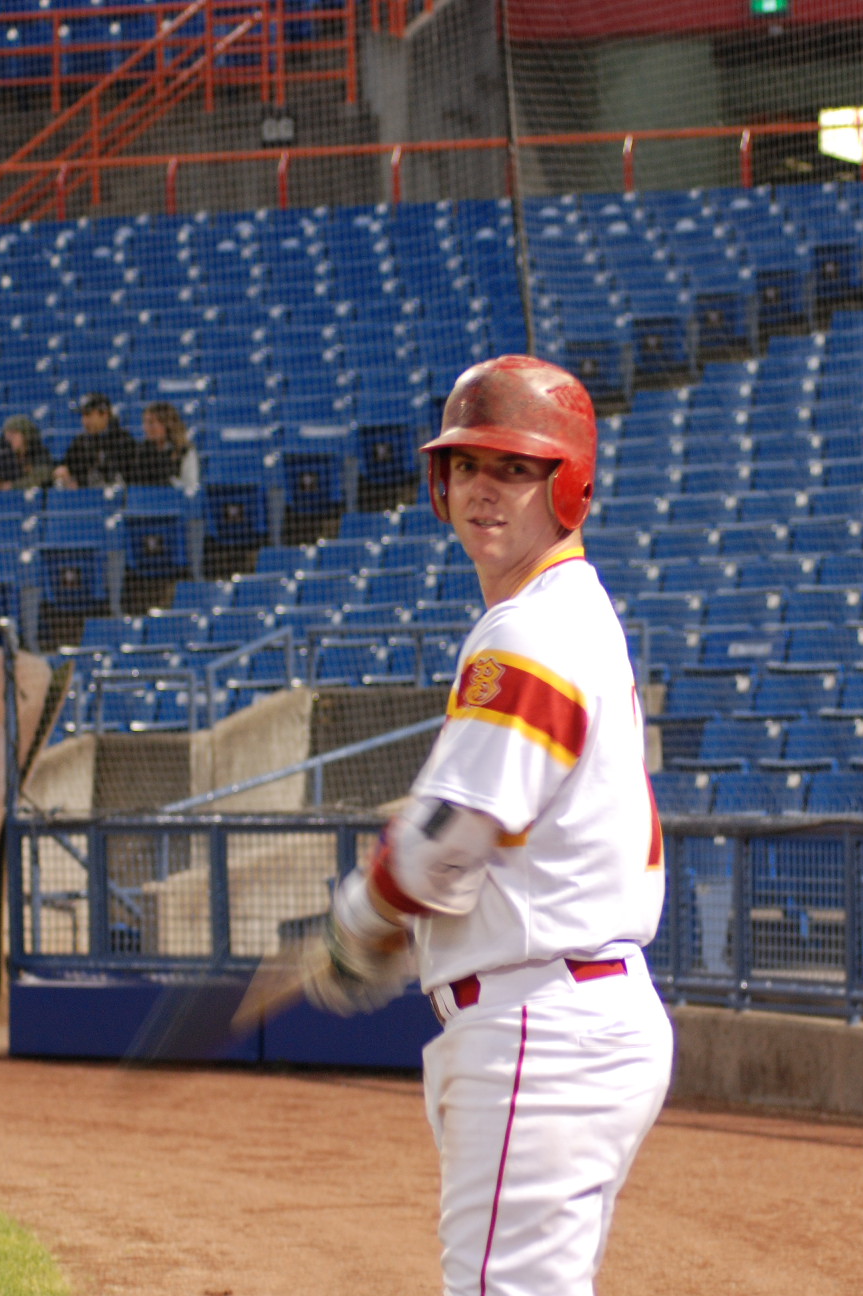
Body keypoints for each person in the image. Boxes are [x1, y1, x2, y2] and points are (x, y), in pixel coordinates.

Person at [282, 356, 671, 1296]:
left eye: (514, 468)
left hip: (541, 1021)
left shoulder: (531, 630)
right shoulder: (567, 614)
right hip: (564, 1013)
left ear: (568, 486)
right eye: (466, 466)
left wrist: (360, 923)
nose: (482, 488)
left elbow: (445, 841)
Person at [53, 393, 138, 490]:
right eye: (82, 415)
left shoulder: (123, 440)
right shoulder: (80, 442)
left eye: (88, 414)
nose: (84, 420)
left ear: (104, 414)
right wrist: (65, 475)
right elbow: (65, 468)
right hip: (87, 497)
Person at [0, 414, 54, 491]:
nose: (9, 438)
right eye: (7, 434)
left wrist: (12, 485)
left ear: (26, 435)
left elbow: (42, 475)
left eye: (14, 433)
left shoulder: (39, 452)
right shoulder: (4, 453)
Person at [129, 401, 199, 490]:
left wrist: (170, 480)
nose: (146, 427)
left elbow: (190, 486)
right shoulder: (141, 450)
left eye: (151, 422)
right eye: (145, 422)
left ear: (166, 424)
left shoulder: (185, 451)